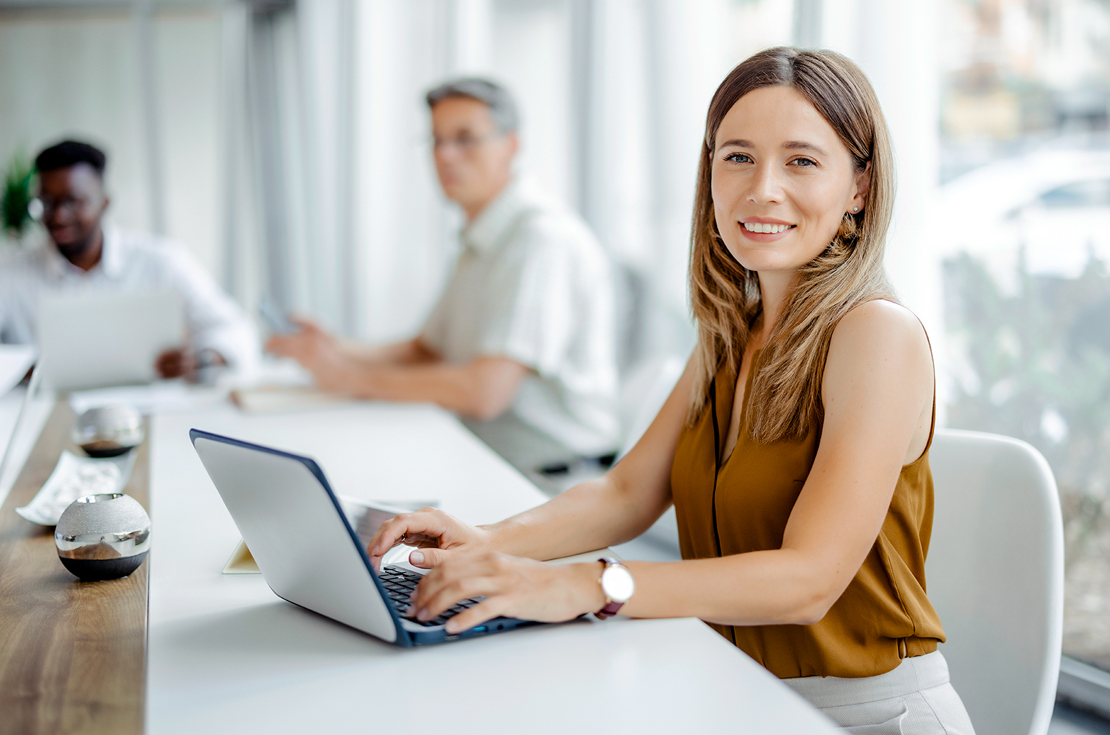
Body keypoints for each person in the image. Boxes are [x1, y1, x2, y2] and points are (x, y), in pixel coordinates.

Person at [365, 49, 975, 734]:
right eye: (737, 157)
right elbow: (626, 493)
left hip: (864, 717)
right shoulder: (730, 332)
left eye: (801, 161)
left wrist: (587, 584)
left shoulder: (876, 334)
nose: (762, 188)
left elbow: (808, 579)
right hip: (734, 694)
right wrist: (486, 542)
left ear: (860, 186)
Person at [267, 78, 619, 476]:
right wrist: (333, 345)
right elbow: (425, 351)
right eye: (437, 141)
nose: (446, 156)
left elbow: (485, 392)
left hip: (548, 479)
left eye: (465, 139)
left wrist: (345, 377)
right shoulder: (483, 237)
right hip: (488, 459)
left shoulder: (540, 240)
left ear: (511, 146)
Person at [0, 140, 259, 379]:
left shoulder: (161, 260)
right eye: (47, 203)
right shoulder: (11, 273)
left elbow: (238, 332)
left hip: (154, 411)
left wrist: (202, 359)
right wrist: (20, 368)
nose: (58, 216)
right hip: (44, 415)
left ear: (104, 202)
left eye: (73, 202)